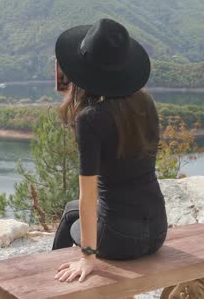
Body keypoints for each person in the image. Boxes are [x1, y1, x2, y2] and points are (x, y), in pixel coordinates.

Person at [52, 18, 168, 284]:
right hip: (157, 231)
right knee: (72, 211)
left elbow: (88, 196)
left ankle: (57, 285)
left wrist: (88, 256)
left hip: (120, 240)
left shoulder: (90, 119)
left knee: (73, 214)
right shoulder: (145, 104)